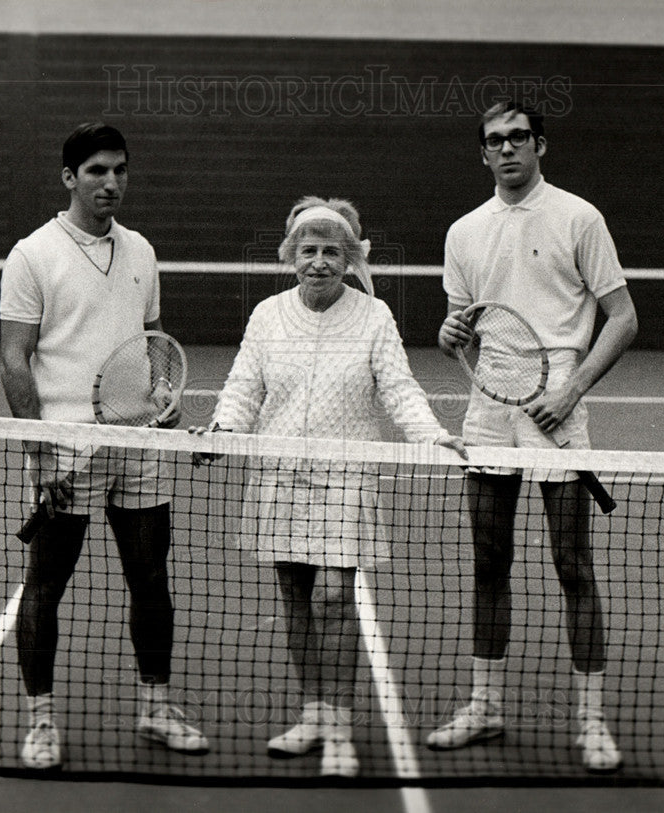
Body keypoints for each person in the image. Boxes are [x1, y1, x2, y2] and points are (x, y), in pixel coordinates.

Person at [194, 196, 465, 778]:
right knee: (295, 601)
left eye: (331, 252)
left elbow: (399, 389)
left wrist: (433, 436)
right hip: (278, 473)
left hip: (344, 475)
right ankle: (313, 714)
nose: (319, 261)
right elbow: (244, 389)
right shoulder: (267, 315)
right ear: (292, 255)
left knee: (335, 599)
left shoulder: (375, 317)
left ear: (351, 259)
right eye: (309, 250)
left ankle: (340, 727)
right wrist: (219, 432)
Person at [429, 102, 638, 773]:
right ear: (483, 154)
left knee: (573, 565)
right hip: (490, 411)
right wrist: (448, 333)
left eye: (519, 137)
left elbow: (623, 317)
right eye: (495, 141)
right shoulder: (464, 232)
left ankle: (591, 720)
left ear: (539, 145)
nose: (508, 148)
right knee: (489, 561)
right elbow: (464, 321)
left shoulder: (579, 217)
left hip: (558, 411)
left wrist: (570, 390)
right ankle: (485, 705)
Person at [0, 122, 208, 770]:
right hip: (65, 447)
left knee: (151, 578)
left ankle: (156, 705)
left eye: (119, 169)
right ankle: (40, 720)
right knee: (45, 587)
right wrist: (39, 452)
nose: (111, 181)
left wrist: (165, 392)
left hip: (137, 441)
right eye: (96, 170)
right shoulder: (33, 254)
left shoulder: (142, 250)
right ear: (70, 177)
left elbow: (151, 336)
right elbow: (14, 357)